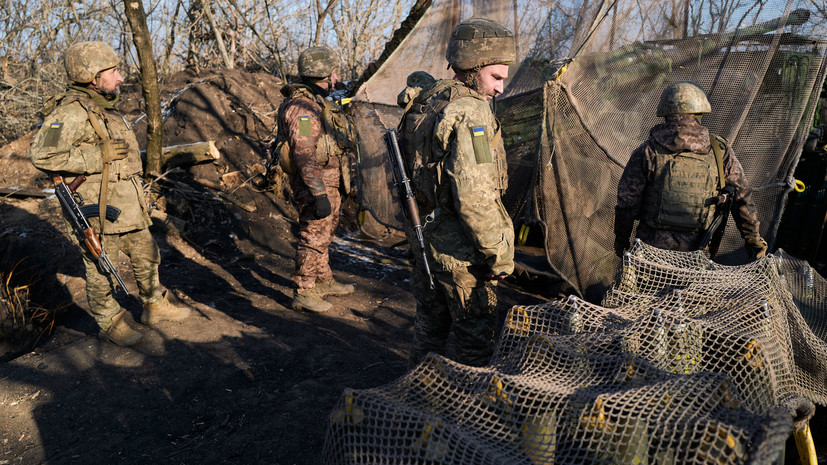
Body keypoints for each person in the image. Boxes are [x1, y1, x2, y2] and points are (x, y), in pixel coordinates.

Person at [30, 41, 190, 347]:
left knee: (147, 254)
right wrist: (95, 155)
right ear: (91, 76)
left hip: (126, 203)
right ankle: (110, 322)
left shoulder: (104, 108)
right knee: (102, 267)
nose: (119, 78)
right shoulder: (70, 112)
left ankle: (154, 305)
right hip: (97, 209)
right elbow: (43, 155)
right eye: (113, 71)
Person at [396, 18, 515, 367]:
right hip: (462, 254)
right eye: (496, 77)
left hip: (425, 240)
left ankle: (415, 401)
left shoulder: (431, 100)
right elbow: (474, 198)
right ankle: (466, 415)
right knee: (473, 349)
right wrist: (498, 255)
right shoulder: (471, 112)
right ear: (473, 68)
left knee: (429, 333)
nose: (501, 88)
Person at [614, 81, 768, 259]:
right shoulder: (719, 150)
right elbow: (742, 197)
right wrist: (754, 240)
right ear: (699, 112)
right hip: (698, 255)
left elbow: (627, 203)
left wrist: (621, 240)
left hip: (651, 254)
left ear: (666, 113)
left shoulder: (647, 151)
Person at [276, 45, 357, 312]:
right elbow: (304, 151)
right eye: (333, 73)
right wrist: (318, 193)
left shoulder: (316, 101)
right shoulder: (303, 109)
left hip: (328, 180)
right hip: (316, 183)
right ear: (325, 74)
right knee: (314, 236)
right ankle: (304, 290)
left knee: (325, 232)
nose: (336, 79)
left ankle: (322, 279)